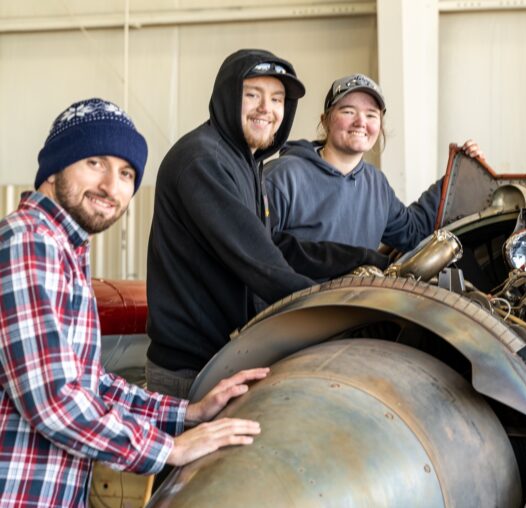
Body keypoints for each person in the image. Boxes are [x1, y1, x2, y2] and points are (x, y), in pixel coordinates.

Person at [0, 98, 269, 507]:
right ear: (54, 169)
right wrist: (168, 450)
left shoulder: (62, 249)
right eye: (95, 162)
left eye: (126, 173)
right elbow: (53, 399)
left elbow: (90, 383)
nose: (112, 186)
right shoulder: (29, 242)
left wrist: (189, 413)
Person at [146, 50, 388, 399]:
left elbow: (276, 244)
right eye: (252, 95)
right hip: (193, 372)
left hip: (227, 357)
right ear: (228, 98)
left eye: (276, 99)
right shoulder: (203, 160)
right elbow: (262, 263)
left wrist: (365, 259)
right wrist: (344, 313)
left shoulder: (246, 161)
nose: (266, 108)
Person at [262, 73, 483, 252]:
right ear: (325, 120)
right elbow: (258, 254)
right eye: (348, 111)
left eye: (371, 115)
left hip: (358, 304)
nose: (360, 122)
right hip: (301, 306)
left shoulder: (375, 184)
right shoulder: (283, 177)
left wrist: (458, 176)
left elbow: (413, 233)